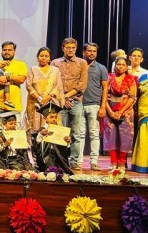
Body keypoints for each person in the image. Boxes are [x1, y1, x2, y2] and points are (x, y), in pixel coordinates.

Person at [51, 38, 88, 172]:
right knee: (59, 132)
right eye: (68, 47)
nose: (70, 50)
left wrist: (67, 97)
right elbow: (53, 83)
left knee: (76, 133)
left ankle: (74, 161)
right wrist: (62, 98)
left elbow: (82, 84)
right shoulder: (55, 63)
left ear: (76, 48)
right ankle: (60, 160)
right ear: (63, 48)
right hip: (59, 102)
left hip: (75, 101)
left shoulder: (82, 63)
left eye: (73, 47)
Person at [101, 55, 137, 170]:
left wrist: (121, 112)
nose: (120, 67)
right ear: (115, 65)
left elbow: (132, 97)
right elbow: (104, 95)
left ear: (127, 67)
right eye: (118, 64)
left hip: (126, 111)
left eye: (123, 65)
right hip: (110, 109)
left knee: (124, 136)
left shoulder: (131, 79)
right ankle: (113, 162)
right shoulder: (109, 77)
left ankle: (121, 162)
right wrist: (110, 111)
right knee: (111, 135)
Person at [81, 43, 109, 172]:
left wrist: (103, 107)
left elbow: (105, 88)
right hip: (79, 104)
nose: (92, 53)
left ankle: (94, 162)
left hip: (94, 105)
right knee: (79, 134)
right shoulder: (79, 65)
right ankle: (78, 161)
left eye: (94, 51)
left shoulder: (101, 68)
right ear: (84, 52)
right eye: (89, 51)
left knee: (94, 134)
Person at [25, 46, 65, 134]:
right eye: (41, 56)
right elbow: (28, 86)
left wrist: (48, 98)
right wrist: (39, 99)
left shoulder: (55, 70)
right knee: (35, 129)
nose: (44, 58)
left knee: (51, 128)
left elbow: (58, 86)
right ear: (37, 57)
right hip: (36, 104)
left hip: (51, 103)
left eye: (46, 56)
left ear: (49, 58)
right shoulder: (33, 69)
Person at [0, 41, 27, 117]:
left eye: (9, 50)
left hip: (13, 107)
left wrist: (7, 78)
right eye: (4, 50)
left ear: (14, 51)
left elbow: (21, 79)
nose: (7, 52)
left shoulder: (21, 64)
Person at [32, 104, 73, 174]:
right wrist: (41, 135)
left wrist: (68, 142)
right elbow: (36, 146)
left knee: (63, 173)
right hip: (45, 160)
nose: (54, 119)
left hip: (59, 159)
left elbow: (65, 151)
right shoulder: (41, 130)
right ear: (45, 118)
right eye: (51, 117)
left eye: (55, 117)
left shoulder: (61, 131)